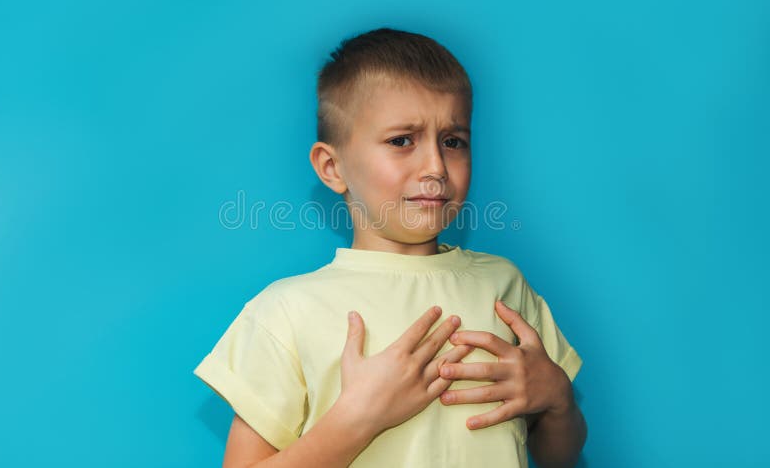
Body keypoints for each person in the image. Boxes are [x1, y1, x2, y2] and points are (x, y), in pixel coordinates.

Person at [193, 27, 586, 467]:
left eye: (453, 141)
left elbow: (560, 457)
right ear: (332, 166)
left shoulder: (504, 285)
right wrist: (358, 418)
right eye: (402, 141)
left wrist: (557, 400)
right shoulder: (285, 311)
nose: (436, 167)